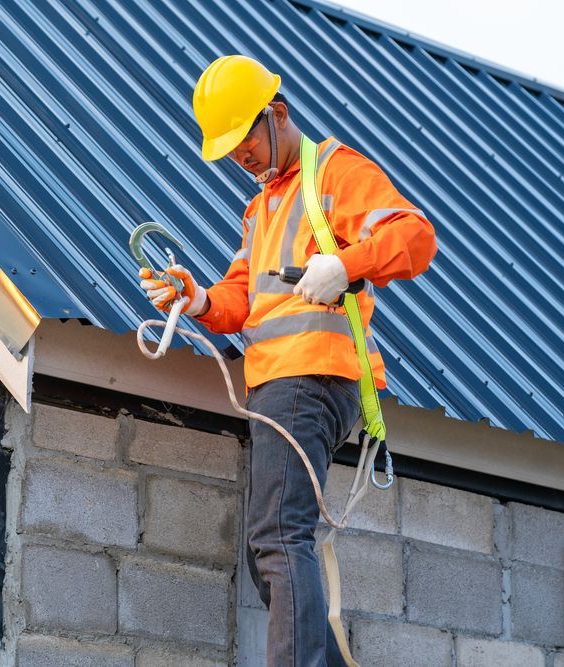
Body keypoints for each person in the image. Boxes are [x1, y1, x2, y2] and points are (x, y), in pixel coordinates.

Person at [138, 55, 437, 666]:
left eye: (243, 140)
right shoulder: (261, 208)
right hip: (277, 387)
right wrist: (196, 297)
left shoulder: (335, 172)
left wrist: (345, 266)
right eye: (230, 150)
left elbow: (416, 237)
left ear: (276, 115)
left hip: (310, 377)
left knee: (279, 539)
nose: (239, 158)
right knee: (267, 552)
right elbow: (241, 299)